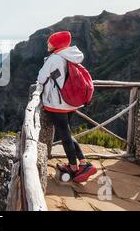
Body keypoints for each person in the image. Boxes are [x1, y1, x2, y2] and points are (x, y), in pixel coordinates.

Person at [37, 31, 97, 183]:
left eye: (50, 42)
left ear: (56, 44)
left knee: (65, 137)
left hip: (57, 104)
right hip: (70, 102)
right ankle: (82, 163)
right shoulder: (71, 55)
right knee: (67, 134)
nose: (47, 44)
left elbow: (41, 77)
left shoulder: (55, 58)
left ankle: (75, 167)